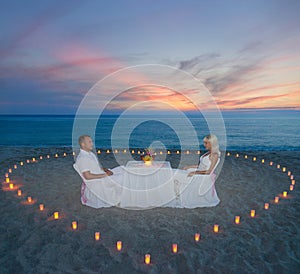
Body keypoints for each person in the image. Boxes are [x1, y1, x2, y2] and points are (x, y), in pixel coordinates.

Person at [74, 135, 124, 208]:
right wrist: (105, 175)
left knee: (122, 169)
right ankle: (122, 197)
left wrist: (106, 170)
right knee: (122, 177)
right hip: (98, 180)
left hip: (101, 174)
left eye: (92, 141)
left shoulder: (89, 154)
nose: (92, 144)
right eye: (90, 142)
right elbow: (87, 176)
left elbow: (96, 167)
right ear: (83, 144)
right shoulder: (83, 158)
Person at [172, 134, 221, 208]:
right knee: (179, 172)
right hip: (199, 171)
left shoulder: (214, 155)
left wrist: (194, 172)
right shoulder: (208, 153)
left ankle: (179, 195)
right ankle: (176, 194)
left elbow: (209, 171)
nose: (204, 145)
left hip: (204, 176)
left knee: (182, 176)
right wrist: (189, 167)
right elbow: (201, 165)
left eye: (206, 143)